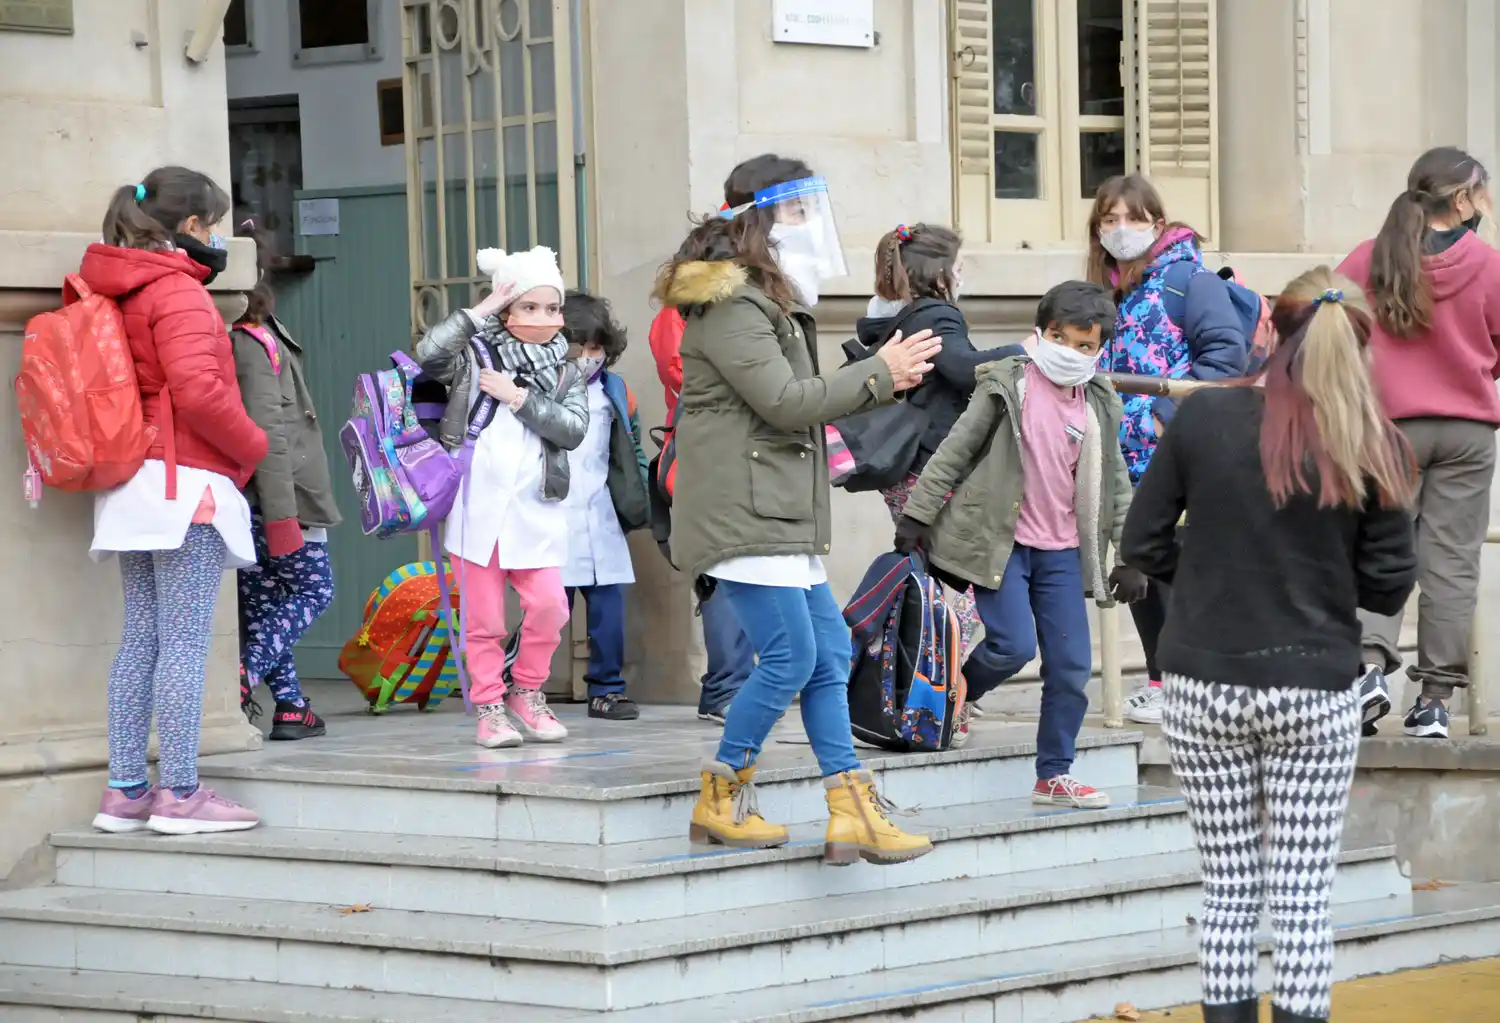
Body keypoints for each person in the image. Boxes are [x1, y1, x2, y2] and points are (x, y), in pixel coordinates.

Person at [1120, 268, 1417, 1023]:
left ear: (1268, 332)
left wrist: (1216, 565)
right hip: (1314, 684)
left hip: (1201, 682)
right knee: (1301, 896)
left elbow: (1143, 544)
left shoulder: (1201, 418)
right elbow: (1387, 585)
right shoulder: (1370, 437)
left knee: (1227, 886)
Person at [656, 154, 942, 864]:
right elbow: (785, 403)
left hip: (772, 509)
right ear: (761, 218)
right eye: (799, 211)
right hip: (744, 512)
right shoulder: (732, 305)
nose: (812, 225)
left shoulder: (763, 299)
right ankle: (721, 796)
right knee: (788, 657)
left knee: (829, 652)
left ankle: (852, 809)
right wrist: (882, 373)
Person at [893, 281, 1145, 809]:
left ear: (1099, 349)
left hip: (1060, 552)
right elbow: (956, 451)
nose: (1072, 352)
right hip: (1001, 545)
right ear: (1042, 332)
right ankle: (961, 690)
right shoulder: (1008, 384)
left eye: (1085, 345)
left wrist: (1130, 554)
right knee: (1011, 646)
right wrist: (917, 516)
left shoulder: (1098, 399)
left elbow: (1115, 480)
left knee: (1073, 668)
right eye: (1061, 338)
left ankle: (1054, 773)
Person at [81, 167, 269, 835]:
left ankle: (127, 790)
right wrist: (253, 445)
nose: (215, 237)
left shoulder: (122, 285)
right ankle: (181, 793)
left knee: (140, 639)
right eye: (212, 224)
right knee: (185, 642)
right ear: (190, 226)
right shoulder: (178, 292)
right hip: (185, 483)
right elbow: (199, 391)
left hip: (133, 485)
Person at [1337, 146, 1500, 739]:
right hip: (1467, 430)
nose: (1486, 205)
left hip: (1386, 429)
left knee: (1379, 549)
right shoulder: (1489, 264)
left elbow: (1324, 329)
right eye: (1482, 194)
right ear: (1461, 201)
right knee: (1452, 563)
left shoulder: (1366, 259)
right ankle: (1434, 700)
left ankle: (1369, 669)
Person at [1086, 173, 1251, 726]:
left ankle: (1192, 685)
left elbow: (1225, 354)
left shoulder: (1188, 280)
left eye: (1133, 218)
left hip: (1179, 453)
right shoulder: (1115, 287)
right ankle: (1164, 683)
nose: (1120, 229)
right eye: (1109, 219)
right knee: (1141, 572)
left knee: (1177, 569)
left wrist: (1166, 418)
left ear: (1157, 223)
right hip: (1124, 457)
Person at [858, 223, 1025, 741]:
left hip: (906, 472)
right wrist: (1029, 349)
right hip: (935, 468)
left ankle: (935, 696)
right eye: (959, 263)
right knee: (956, 594)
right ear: (939, 272)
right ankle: (945, 699)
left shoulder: (890, 318)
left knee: (934, 587)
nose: (963, 272)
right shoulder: (939, 314)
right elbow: (960, 368)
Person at [415, 245, 587, 749]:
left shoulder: (565, 372)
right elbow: (430, 354)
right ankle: (489, 707)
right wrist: (483, 310)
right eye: (529, 307)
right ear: (508, 310)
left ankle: (527, 692)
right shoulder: (473, 358)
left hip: (537, 507)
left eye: (552, 308)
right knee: (484, 620)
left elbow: (573, 429)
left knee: (551, 607)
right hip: (477, 505)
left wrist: (518, 396)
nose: (543, 318)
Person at [230, 222, 340, 741]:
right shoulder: (253, 341)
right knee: (315, 590)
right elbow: (267, 433)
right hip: (277, 494)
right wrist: (282, 514)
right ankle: (244, 676)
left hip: (252, 494)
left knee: (266, 603)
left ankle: (291, 706)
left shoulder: (251, 332)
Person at [649, 204, 757, 726]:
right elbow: (696, 379)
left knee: (732, 574)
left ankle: (734, 683)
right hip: (705, 458)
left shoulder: (686, 311)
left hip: (712, 455)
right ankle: (725, 687)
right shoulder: (686, 315)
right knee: (722, 574)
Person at [560, 290, 651, 720]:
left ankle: (607, 688)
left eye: (597, 347)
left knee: (608, 611)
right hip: (552, 514)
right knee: (546, 609)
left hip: (601, 513)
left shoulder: (614, 390)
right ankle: (519, 684)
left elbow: (630, 448)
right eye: (580, 347)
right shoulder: (542, 387)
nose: (589, 357)